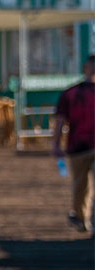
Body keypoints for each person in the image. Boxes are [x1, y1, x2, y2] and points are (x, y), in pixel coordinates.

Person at [52, 54, 95, 234]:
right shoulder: (70, 94)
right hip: (85, 145)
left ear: (85, 68)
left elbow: (60, 122)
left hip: (78, 146)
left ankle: (80, 217)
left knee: (80, 185)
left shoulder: (70, 94)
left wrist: (56, 145)